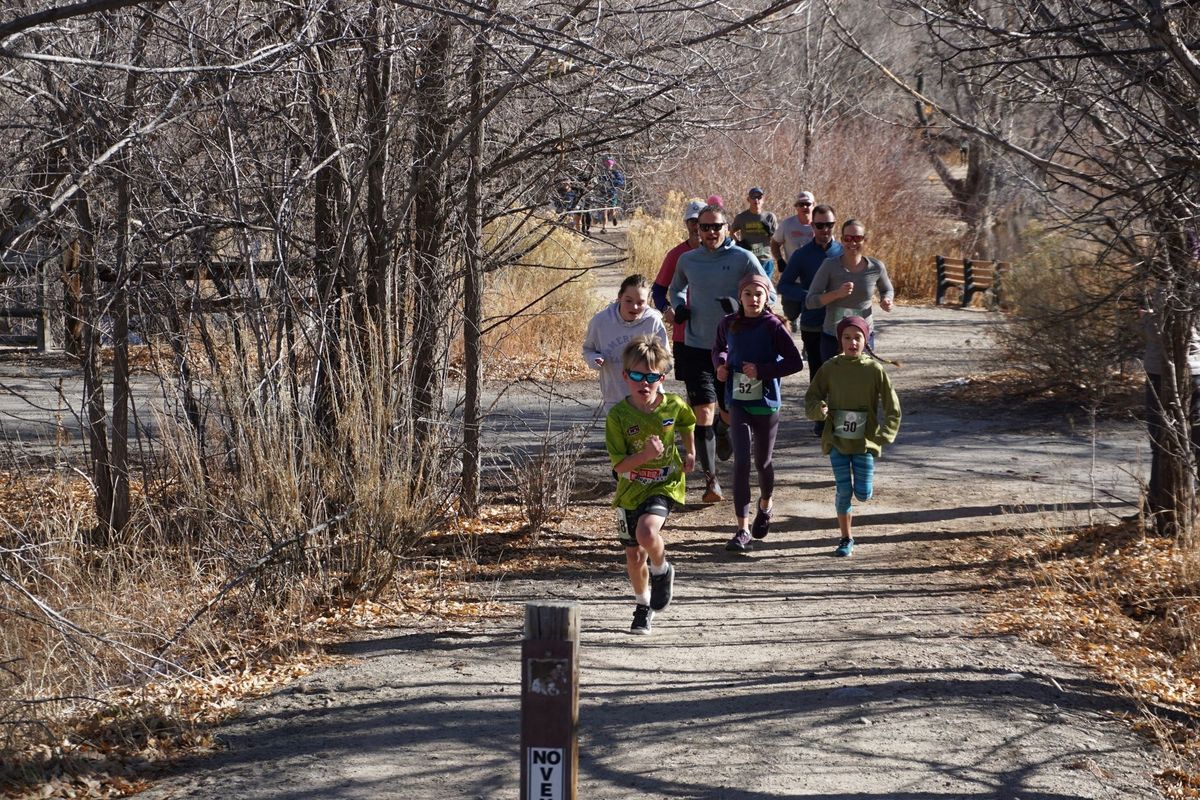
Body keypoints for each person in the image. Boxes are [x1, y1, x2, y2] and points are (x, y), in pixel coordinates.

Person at [667, 204, 773, 503]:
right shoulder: (688, 260)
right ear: (696, 230)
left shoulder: (743, 258)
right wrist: (678, 308)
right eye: (705, 227)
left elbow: (770, 292)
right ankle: (711, 482)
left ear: (728, 228)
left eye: (717, 227)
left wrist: (744, 307)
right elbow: (674, 290)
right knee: (703, 413)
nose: (711, 232)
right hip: (696, 347)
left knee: (730, 412)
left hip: (736, 348)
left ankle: (725, 428)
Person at [606, 335, 696, 634]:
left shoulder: (672, 405)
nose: (643, 383)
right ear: (625, 376)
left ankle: (662, 569)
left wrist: (691, 450)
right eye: (635, 376)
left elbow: (687, 422)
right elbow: (619, 466)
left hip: (665, 483)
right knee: (633, 557)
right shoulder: (618, 416)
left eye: (651, 377)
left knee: (647, 531)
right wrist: (644, 455)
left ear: (662, 378)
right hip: (630, 489)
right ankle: (643, 606)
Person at [712, 274, 804, 553]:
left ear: (767, 298)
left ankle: (766, 505)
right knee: (741, 461)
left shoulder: (773, 326)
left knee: (762, 462)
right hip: (738, 399)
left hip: (765, 403)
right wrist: (721, 365)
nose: (753, 299)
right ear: (740, 297)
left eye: (759, 294)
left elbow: (795, 362)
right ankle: (741, 529)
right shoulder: (728, 323)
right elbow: (719, 349)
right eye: (748, 294)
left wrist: (762, 371)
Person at [804, 316, 901, 557]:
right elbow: (811, 397)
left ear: (865, 339)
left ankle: (863, 493)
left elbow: (892, 406)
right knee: (843, 491)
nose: (852, 342)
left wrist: (884, 436)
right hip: (837, 439)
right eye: (847, 338)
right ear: (840, 341)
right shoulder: (830, 368)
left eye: (857, 337)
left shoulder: (874, 370)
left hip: (864, 441)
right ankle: (846, 538)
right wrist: (820, 409)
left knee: (863, 494)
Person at [805, 218, 895, 363]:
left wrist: (887, 300)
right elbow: (810, 302)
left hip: (862, 337)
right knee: (834, 384)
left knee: (862, 383)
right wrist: (836, 294)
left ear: (864, 240)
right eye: (847, 238)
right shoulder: (829, 266)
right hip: (833, 338)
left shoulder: (876, 267)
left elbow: (887, 289)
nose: (852, 243)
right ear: (841, 240)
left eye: (857, 238)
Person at [583, 274, 669, 413]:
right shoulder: (600, 321)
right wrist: (594, 359)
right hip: (615, 397)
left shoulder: (653, 321)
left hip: (649, 399)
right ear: (619, 297)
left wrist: (650, 370)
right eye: (628, 300)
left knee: (651, 436)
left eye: (640, 302)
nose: (634, 306)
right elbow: (588, 349)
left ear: (647, 302)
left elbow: (667, 360)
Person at [778, 204, 843, 383]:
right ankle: (817, 410)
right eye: (820, 225)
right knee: (818, 375)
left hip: (839, 323)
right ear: (812, 226)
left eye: (829, 224)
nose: (825, 229)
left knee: (840, 374)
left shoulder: (843, 252)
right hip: (813, 323)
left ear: (834, 225)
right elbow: (783, 286)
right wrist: (809, 296)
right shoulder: (802, 255)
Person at [652, 197, 705, 368]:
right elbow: (658, 289)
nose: (696, 226)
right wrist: (666, 309)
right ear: (686, 223)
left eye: (700, 221)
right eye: (692, 221)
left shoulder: (720, 254)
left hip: (714, 332)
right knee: (692, 388)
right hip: (684, 332)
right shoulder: (676, 254)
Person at [771, 191, 816, 329]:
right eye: (801, 204)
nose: (804, 207)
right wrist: (779, 259)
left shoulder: (819, 225)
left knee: (812, 322)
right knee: (790, 316)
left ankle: (808, 349)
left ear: (814, 205)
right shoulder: (787, 224)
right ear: (796, 206)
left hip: (814, 281)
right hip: (792, 280)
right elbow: (774, 242)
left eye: (807, 204)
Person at [730, 187, 779, 278]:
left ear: (763, 199)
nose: (756, 200)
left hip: (765, 259)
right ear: (748, 199)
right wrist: (738, 242)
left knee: (764, 289)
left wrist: (770, 233)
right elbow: (731, 232)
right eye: (753, 197)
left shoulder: (770, 217)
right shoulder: (741, 217)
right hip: (748, 259)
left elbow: (777, 239)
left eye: (759, 197)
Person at [600, 157, 626, 228]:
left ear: (612, 164)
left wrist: (612, 182)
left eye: (610, 164)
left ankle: (614, 217)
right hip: (603, 193)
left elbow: (621, 182)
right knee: (604, 211)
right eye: (607, 163)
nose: (608, 165)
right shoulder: (602, 173)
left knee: (612, 210)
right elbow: (598, 181)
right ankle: (604, 227)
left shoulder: (616, 172)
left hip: (613, 193)